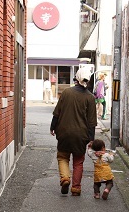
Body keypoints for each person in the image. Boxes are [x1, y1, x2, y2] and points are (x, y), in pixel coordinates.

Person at [50, 68, 97, 196]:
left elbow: (57, 113)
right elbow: (92, 122)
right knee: (78, 161)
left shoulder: (66, 92)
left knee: (63, 157)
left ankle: (65, 178)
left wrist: (52, 127)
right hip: (81, 135)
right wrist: (91, 139)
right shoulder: (90, 98)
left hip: (64, 132)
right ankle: (76, 188)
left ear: (76, 78)